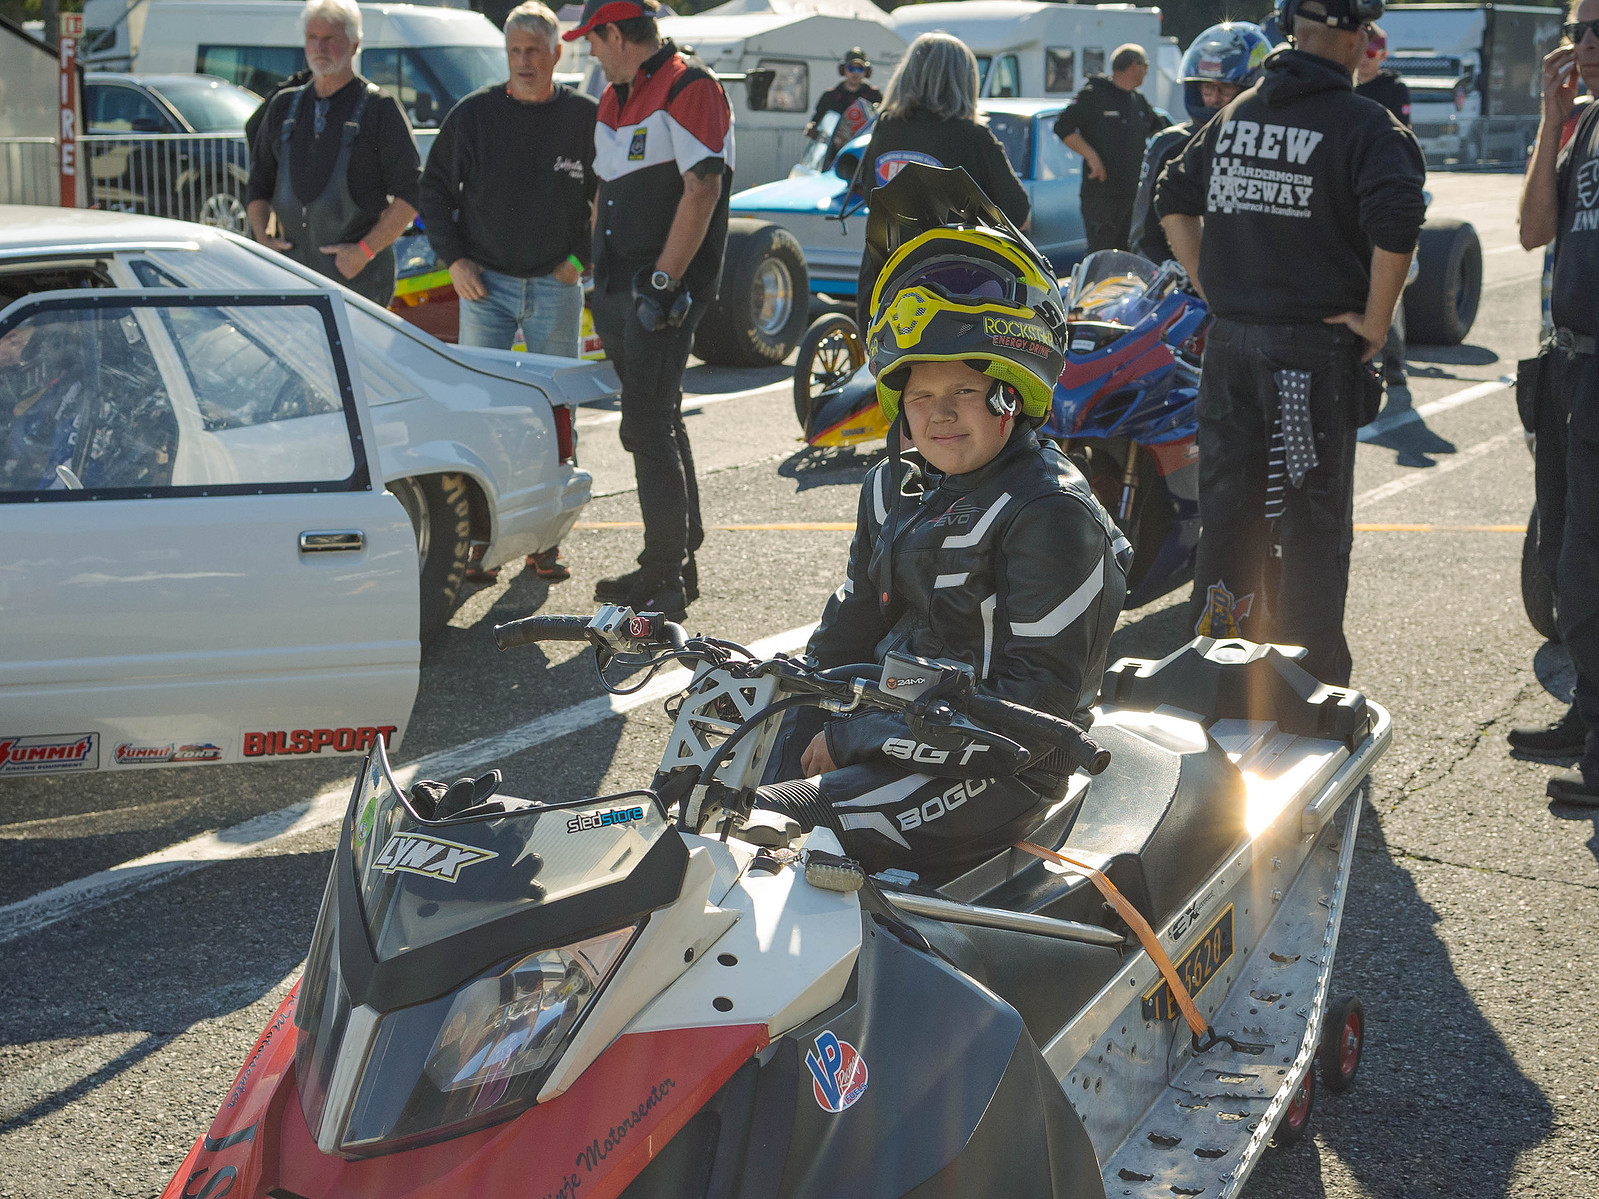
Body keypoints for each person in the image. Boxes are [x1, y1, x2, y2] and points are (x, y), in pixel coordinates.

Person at [755, 164, 1129, 878]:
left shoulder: (1049, 510)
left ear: (1012, 391)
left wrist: (855, 736)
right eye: (920, 393)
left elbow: (1037, 715)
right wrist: (795, 716)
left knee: (770, 828)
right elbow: (847, 628)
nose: (939, 413)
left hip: (1004, 771)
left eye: (965, 388)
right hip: (885, 735)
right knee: (706, 793)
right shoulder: (889, 487)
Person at [1155, 0, 1425, 686]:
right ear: (1356, 37)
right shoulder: (1366, 124)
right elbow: (1397, 223)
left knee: (1228, 517)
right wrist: (1374, 320)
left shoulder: (1239, 111)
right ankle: (1311, 686)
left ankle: (1215, 670)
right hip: (1307, 356)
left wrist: (1212, 287)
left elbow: (1170, 194)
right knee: (1311, 523)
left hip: (1232, 351)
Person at [565, 0, 733, 619]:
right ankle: (676, 558)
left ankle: (663, 577)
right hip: (615, 285)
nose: (589, 51)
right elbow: (604, 192)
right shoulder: (615, 95)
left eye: (592, 40)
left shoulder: (691, 85)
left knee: (645, 424)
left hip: (661, 290)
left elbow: (704, 187)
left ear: (616, 34)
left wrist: (663, 282)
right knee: (657, 419)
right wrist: (593, 273)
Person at [421, 1, 595, 584]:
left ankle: (545, 542)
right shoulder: (473, 116)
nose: (523, 60)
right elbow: (434, 191)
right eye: (514, 50)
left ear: (557, 54)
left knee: (554, 416)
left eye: (534, 51)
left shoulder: (585, 119)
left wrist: (583, 259)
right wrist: (454, 260)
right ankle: (481, 543)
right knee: (481, 415)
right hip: (484, 286)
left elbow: (618, 199)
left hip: (555, 283)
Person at [1514, 0, 1599, 804]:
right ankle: (1586, 714)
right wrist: (1550, 119)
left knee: (1590, 564)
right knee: (1565, 565)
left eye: (1598, 32)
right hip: (1569, 369)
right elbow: (1532, 230)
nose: (1584, 48)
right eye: (1577, 33)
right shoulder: (1582, 129)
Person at [245, 0, 421, 306]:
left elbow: (412, 194)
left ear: (355, 45)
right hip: (293, 278)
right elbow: (258, 184)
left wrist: (364, 251)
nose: (319, 47)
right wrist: (262, 239)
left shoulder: (380, 109)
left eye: (331, 39)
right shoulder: (283, 106)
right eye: (312, 37)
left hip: (359, 283)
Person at [852, 32, 1031, 328]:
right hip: (948, 301)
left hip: (879, 291)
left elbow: (865, 190)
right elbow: (1020, 215)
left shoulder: (884, 129)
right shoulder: (972, 138)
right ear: (964, 80)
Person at [1128, 22, 1272, 264]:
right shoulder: (1169, 144)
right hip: (1182, 282)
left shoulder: (1270, 145)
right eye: (1207, 87)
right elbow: (1144, 238)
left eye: (1225, 88)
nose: (1214, 98)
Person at [1053, 43, 1165, 253]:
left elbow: (1161, 131)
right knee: (1102, 254)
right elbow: (1062, 126)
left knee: (1126, 256)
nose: (1147, 71)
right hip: (1101, 195)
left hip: (1131, 195)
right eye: (1146, 65)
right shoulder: (1094, 94)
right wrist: (1091, 156)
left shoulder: (1137, 100)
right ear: (1134, 66)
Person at [1356, 22, 1413, 388]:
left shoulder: (1392, 89)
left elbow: (1402, 138)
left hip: (1381, 190)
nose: (1366, 61)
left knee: (1388, 269)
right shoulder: (1335, 86)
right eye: (1362, 52)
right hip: (1344, 190)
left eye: (1373, 54)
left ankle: (1393, 357)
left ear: (1383, 56)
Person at [805, 47, 882, 137]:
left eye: (860, 69)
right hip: (834, 148)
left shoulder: (874, 95)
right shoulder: (830, 96)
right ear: (843, 70)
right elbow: (816, 121)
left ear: (866, 72)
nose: (855, 73)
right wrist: (812, 129)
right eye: (851, 68)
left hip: (863, 147)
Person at [1354, 24, 1411, 126]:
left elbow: (1402, 128)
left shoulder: (1395, 89)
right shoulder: (1344, 86)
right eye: (1360, 51)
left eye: (1371, 53)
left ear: (1383, 55)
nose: (1364, 58)